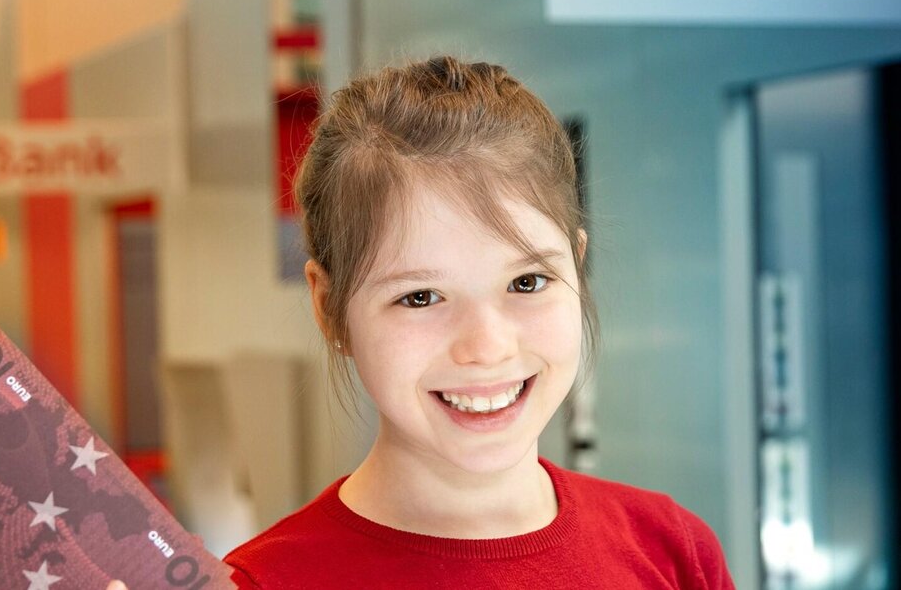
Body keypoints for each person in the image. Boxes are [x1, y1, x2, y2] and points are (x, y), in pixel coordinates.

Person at [223, 56, 734, 589]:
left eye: (527, 283)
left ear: (577, 270)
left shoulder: (673, 551)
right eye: (420, 296)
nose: (487, 346)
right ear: (329, 308)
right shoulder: (264, 583)